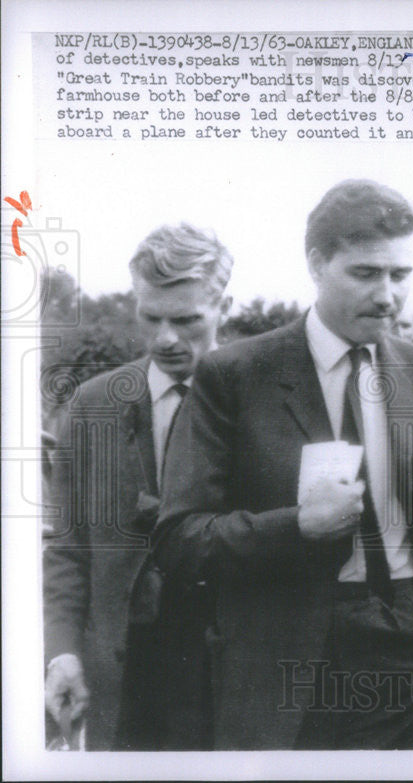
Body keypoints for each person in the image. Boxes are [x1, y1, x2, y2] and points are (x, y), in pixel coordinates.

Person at [153, 179, 413, 750]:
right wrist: (296, 525)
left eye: (400, 275)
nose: (388, 295)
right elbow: (179, 538)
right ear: (317, 263)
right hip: (289, 669)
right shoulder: (235, 375)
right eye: (366, 273)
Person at [43, 223, 233, 750]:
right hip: (120, 687)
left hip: (228, 687)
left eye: (187, 319)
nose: (166, 338)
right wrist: (61, 653)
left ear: (226, 307)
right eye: (151, 318)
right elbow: (67, 548)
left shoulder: (262, 401)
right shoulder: (91, 405)